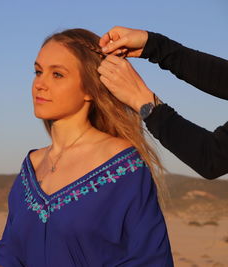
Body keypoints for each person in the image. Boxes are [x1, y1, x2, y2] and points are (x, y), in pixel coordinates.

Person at [0, 28, 173, 267]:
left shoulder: (123, 165)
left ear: (89, 88)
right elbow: (9, 254)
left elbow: (149, 259)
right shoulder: (31, 167)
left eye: (57, 74)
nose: (39, 84)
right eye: (38, 72)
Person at [97, 26, 228, 179]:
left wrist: (142, 100)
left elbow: (213, 158)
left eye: (60, 74)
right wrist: (155, 45)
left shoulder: (119, 156)